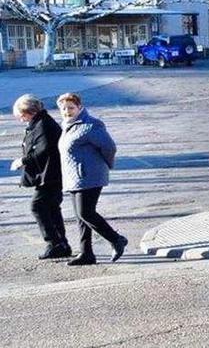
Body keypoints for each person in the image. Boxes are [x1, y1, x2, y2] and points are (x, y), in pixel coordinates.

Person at [56, 93, 127, 266]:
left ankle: (116, 239)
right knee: (81, 217)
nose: (67, 111)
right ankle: (86, 253)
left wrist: (104, 165)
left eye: (71, 108)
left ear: (79, 107)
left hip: (89, 176)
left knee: (86, 212)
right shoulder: (67, 126)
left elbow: (109, 147)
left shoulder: (90, 125)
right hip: (74, 178)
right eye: (64, 109)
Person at [10, 94, 71, 259]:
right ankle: (62, 244)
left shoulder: (43, 125)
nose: (21, 120)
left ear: (30, 111)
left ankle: (54, 243)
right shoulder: (41, 122)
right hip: (51, 174)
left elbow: (43, 151)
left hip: (50, 175)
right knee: (51, 208)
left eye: (22, 116)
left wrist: (22, 161)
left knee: (37, 206)